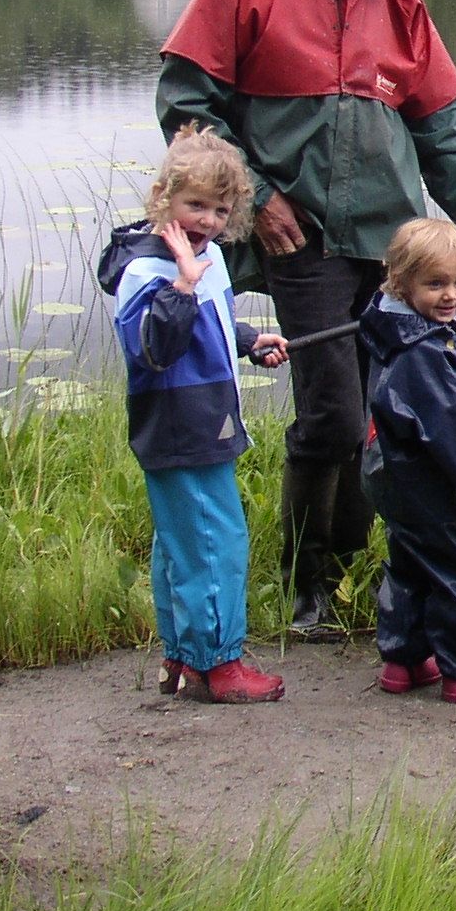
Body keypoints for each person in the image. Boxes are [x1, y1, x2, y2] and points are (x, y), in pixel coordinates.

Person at [155, 0, 456, 641]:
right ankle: (307, 587)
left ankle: (352, 572)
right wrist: (256, 196)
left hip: (395, 254)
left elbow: (444, 132)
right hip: (305, 245)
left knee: (386, 418)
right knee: (331, 417)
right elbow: (189, 106)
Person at [96, 124, 290, 704]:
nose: (207, 220)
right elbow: (155, 348)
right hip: (180, 424)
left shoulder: (205, 257)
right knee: (214, 541)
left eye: (220, 209)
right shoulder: (149, 270)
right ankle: (220, 665)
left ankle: (183, 655)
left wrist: (249, 339)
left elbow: (209, 326)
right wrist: (182, 282)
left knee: (182, 542)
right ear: (164, 199)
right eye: (195, 205)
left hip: (207, 415)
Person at [359, 218, 456, 703]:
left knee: (407, 562)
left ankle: (402, 662)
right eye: (435, 284)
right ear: (402, 283)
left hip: (389, 472)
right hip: (428, 481)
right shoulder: (424, 352)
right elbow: (451, 429)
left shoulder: (387, 325)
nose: (451, 295)